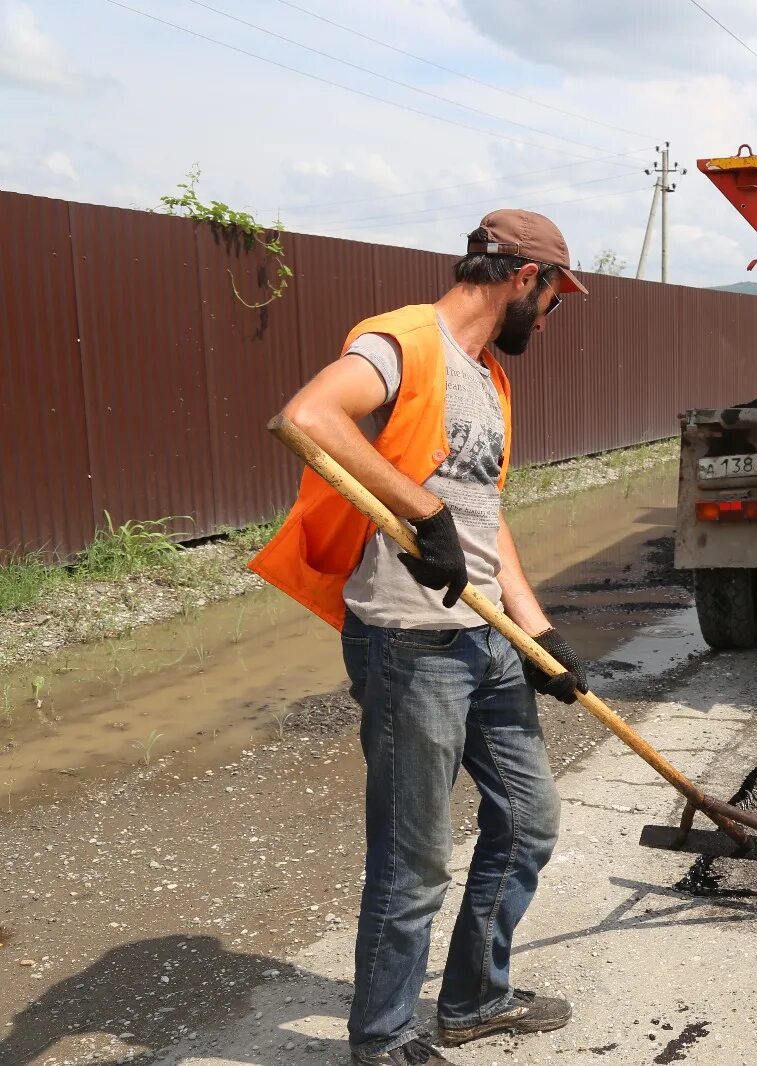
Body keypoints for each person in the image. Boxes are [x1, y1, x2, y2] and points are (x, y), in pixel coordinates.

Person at [251, 210, 591, 1065]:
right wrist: (418, 509)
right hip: (410, 645)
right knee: (415, 863)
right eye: (552, 299)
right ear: (524, 278)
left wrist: (538, 630)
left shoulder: (486, 378)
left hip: (487, 639)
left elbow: (486, 517)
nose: (549, 319)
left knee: (528, 818)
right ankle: (383, 1038)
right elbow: (308, 415)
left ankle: (474, 1000)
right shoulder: (407, 342)